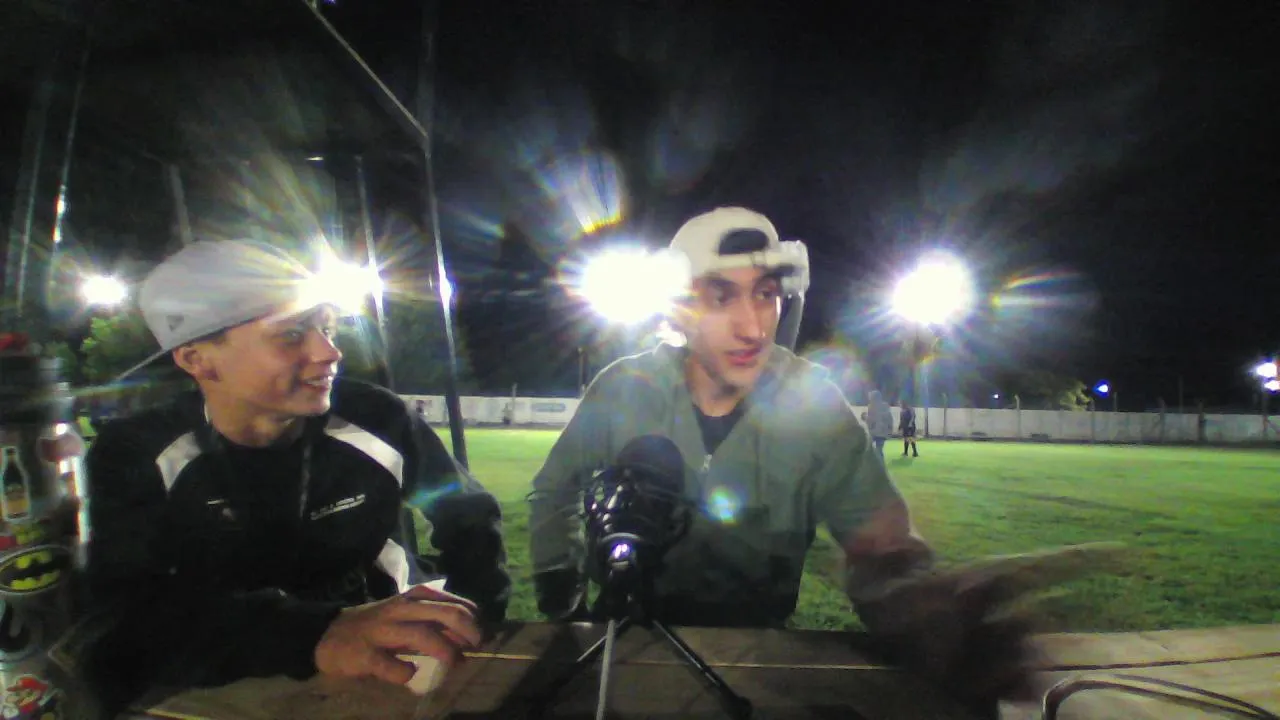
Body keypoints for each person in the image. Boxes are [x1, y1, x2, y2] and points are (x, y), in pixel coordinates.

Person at [528, 207, 1056, 703]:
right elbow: (554, 491)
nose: (754, 327)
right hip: (623, 647)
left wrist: (925, 610)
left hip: (756, 658)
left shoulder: (813, 401)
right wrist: (564, 604)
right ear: (679, 310)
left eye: (765, 294)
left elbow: (879, 541)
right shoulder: (623, 387)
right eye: (721, 297)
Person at [75, 240, 511, 715]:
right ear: (196, 359)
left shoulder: (377, 417)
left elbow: (467, 516)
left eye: (327, 328)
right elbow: (123, 615)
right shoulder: (137, 454)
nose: (330, 352)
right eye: (291, 334)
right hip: (227, 676)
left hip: (388, 660)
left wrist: (473, 611)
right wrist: (313, 632)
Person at [866, 390, 894, 459]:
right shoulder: (871, 406)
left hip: (879, 432)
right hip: (876, 432)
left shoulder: (883, 406)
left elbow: (889, 419)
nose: (870, 399)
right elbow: (870, 419)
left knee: (878, 450)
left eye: (871, 397)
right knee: (875, 450)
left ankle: (879, 463)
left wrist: (890, 430)